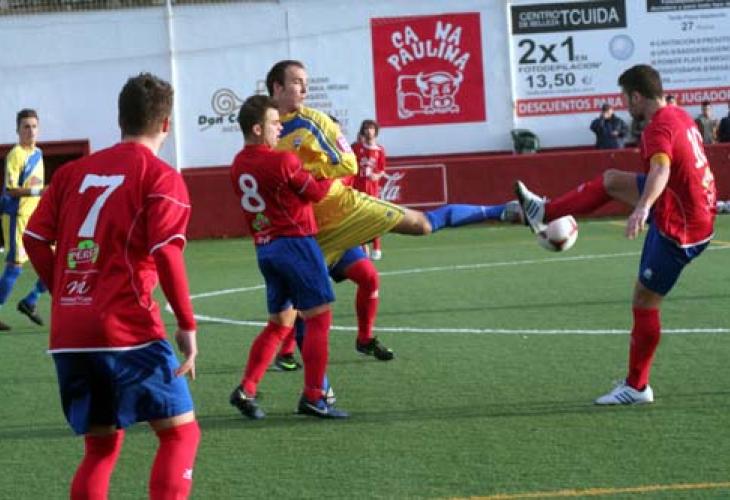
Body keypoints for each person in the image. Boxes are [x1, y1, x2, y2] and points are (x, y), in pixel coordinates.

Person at [23, 73, 201, 498]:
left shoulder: (73, 173)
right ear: (166, 124)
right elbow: (166, 252)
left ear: (120, 120)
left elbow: (33, 238)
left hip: (70, 334)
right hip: (127, 329)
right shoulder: (160, 177)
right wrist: (187, 325)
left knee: (101, 447)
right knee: (180, 434)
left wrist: (67, 293)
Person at [514, 64, 716, 405]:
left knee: (644, 300)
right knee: (610, 180)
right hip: (685, 208)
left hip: (681, 227)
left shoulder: (657, 128)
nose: (624, 105)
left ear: (636, 96)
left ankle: (637, 387)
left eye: (625, 98)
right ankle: (543, 212)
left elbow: (662, 168)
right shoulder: (678, 115)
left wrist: (643, 207)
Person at [267, 60, 518, 271]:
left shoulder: (314, 121)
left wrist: (301, 175)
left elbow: (348, 164)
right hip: (304, 227)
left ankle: (503, 210)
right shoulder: (265, 128)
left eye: (306, 83)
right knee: (296, 304)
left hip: (344, 209)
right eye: (297, 82)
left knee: (421, 225)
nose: (305, 90)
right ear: (278, 87)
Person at [228, 94, 349, 420]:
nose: (279, 127)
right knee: (319, 318)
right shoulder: (282, 160)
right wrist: (334, 168)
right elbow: (316, 192)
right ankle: (314, 396)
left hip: (265, 248)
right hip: (296, 244)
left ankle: (247, 388)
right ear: (257, 129)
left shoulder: (237, 165)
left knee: (280, 324)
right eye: (273, 123)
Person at [1, 108, 49, 330]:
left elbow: (35, 187)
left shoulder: (38, 153)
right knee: (15, 267)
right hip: (17, 218)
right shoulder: (16, 154)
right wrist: (40, 191)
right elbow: (11, 190)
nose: (31, 131)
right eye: (26, 127)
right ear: (18, 130)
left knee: (57, 262)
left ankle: (31, 300)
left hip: (37, 218)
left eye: (34, 126)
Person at [352, 119, 387, 260]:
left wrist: (376, 176)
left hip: (372, 189)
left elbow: (382, 170)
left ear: (376, 131)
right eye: (366, 128)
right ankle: (362, 248)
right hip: (357, 188)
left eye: (371, 128)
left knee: (374, 217)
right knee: (359, 218)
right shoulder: (356, 147)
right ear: (363, 131)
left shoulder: (380, 150)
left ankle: (377, 247)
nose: (369, 131)